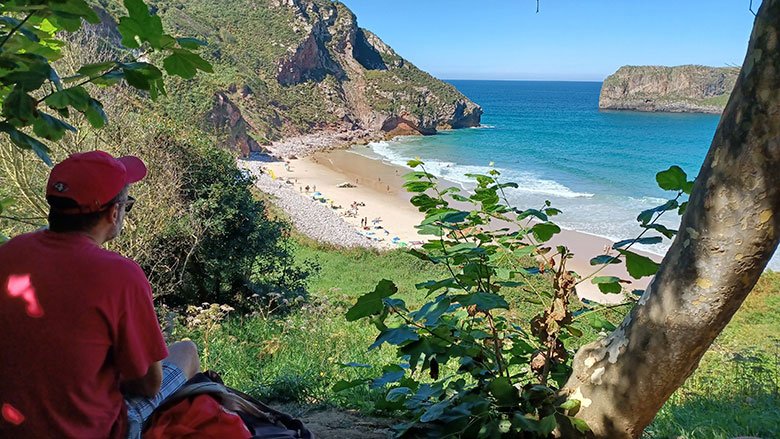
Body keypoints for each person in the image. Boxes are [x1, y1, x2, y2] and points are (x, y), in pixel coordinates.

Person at [0, 151, 200, 438]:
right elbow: (148, 385)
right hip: (88, 431)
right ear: (113, 213)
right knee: (187, 352)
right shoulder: (120, 276)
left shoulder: (9, 254)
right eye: (127, 205)